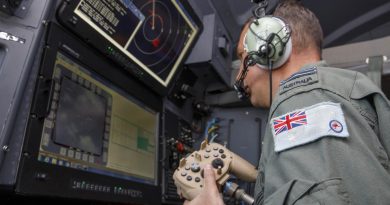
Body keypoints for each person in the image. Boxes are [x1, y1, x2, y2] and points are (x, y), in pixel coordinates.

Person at [185, 0, 390, 204]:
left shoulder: (301, 99)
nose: (240, 77)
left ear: (271, 49)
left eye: (243, 56)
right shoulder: (350, 87)